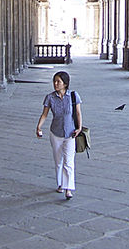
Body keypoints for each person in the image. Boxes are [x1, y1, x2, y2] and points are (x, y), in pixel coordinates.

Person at [36, 71, 82, 200]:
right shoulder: (50, 97)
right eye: (54, 81)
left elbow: (78, 113)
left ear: (65, 84)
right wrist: (39, 126)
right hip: (55, 133)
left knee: (69, 162)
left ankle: (68, 189)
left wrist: (79, 128)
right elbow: (44, 114)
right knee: (58, 161)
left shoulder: (73, 96)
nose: (56, 84)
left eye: (58, 82)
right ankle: (61, 184)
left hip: (70, 133)